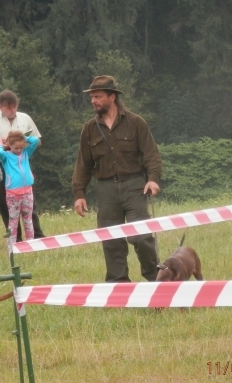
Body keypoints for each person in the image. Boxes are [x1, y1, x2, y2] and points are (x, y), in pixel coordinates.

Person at [72, 75, 163, 283]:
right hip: (106, 190)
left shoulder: (135, 122)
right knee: (111, 240)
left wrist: (153, 179)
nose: (93, 101)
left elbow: (151, 154)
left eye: (98, 96)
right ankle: (118, 286)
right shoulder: (89, 129)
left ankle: (156, 280)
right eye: (92, 97)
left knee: (141, 236)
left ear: (112, 97)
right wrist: (79, 194)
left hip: (134, 186)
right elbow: (83, 164)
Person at [0, 90, 45, 241]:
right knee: (7, 205)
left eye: (14, 107)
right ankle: (15, 239)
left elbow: (38, 140)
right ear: (0, 107)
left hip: (23, 162)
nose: (12, 111)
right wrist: (2, 147)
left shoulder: (25, 118)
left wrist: (22, 142)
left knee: (30, 201)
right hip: (2, 163)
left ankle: (36, 235)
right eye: (8, 108)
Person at [0, 130, 40, 244]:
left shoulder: (26, 153)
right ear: (10, 145)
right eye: (16, 148)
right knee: (13, 220)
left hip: (27, 192)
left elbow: (35, 141)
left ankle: (31, 243)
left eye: (21, 147)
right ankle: (12, 244)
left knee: (28, 218)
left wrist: (23, 137)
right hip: (13, 194)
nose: (19, 150)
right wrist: (1, 143)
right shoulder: (6, 157)